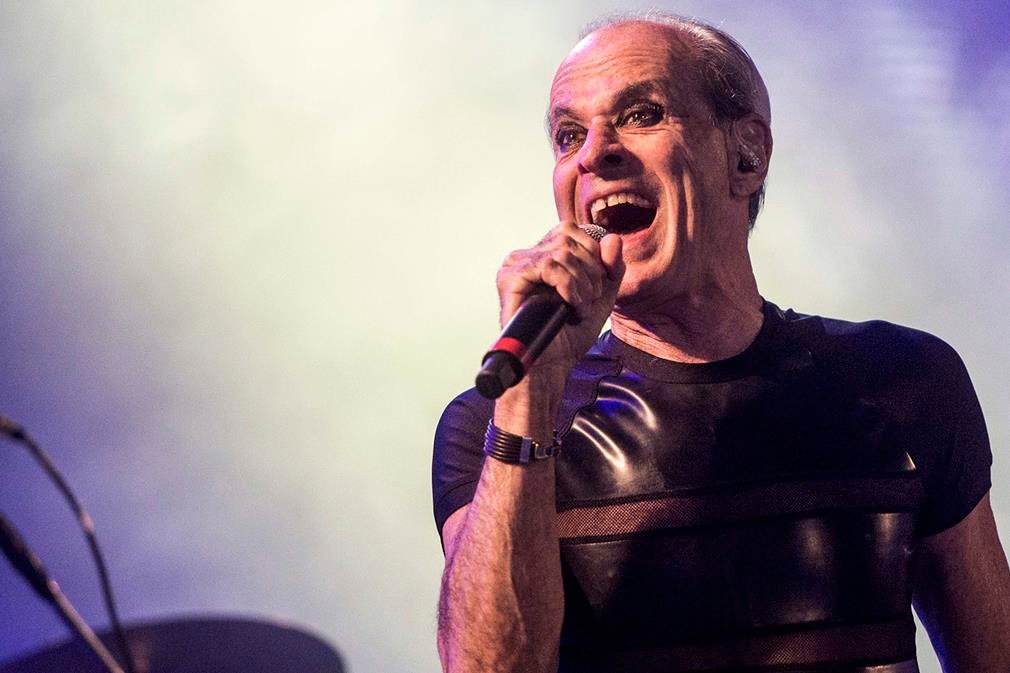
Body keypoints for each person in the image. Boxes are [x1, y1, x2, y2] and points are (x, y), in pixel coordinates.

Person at [432, 13, 1010, 673]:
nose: (592, 154)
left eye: (641, 115)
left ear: (746, 155)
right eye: (569, 135)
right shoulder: (494, 428)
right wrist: (528, 400)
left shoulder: (903, 380)